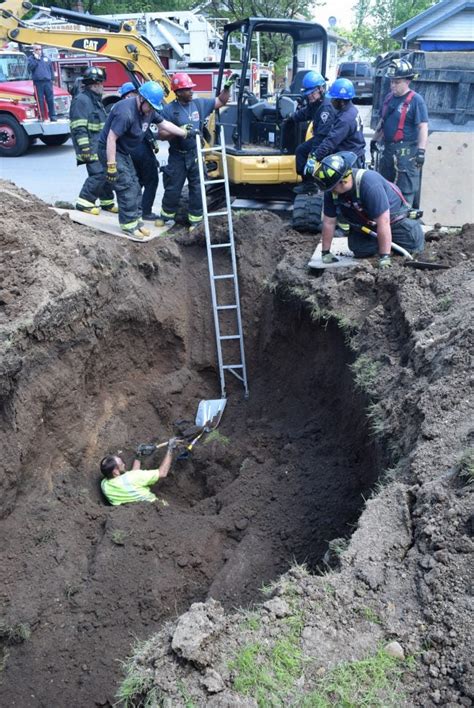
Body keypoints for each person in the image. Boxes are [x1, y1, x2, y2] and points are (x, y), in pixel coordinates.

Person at [98, 81, 193, 239]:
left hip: (123, 151)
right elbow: (111, 138)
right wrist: (111, 165)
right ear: (141, 99)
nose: (151, 111)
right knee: (126, 186)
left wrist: (184, 133)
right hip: (111, 151)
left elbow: (165, 124)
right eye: (150, 106)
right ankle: (128, 225)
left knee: (134, 184)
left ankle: (135, 221)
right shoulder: (125, 112)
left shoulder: (149, 109)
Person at [310, 151, 424, 268]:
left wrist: (385, 257)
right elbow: (329, 222)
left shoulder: (369, 184)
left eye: (332, 188)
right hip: (366, 224)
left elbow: (383, 222)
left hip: (393, 221)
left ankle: (401, 236)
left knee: (412, 244)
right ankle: (384, 242)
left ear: (343, 181)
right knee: (359, 249)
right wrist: (325, 252)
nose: (330, 191)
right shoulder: (332, 189)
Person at [156, 71, 236, 232]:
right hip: (177, 156)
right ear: (178, 92)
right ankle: (166, 217)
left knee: (198, 188)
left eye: (191, 88)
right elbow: (162, 135)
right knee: (173, 188)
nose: (191, 91)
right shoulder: (169, 110)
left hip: (195, 155)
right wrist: (179, 130)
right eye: (187, 89)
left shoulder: (199, 105)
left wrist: (227, 88)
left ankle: (195, 221)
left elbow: (221, 101)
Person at [373, 58, 428, 206]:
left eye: (397, 82)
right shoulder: (389, 98)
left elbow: (423, 127)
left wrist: (421, 151)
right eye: (391, 81)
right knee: (385, 185)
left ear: (408, 81)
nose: (393, 85)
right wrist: (374, 140)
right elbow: (383, 121)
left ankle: (406, 222)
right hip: (388, 150)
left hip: (407, 152)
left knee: (406, 189)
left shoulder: (416, 101)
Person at [70, 67, 117, 215]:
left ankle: (107, 201)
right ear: (93, 84)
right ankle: (84, 202)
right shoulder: (81, 101)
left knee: (106, 175)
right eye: (100, 84)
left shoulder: (95, 100)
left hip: (99, 145)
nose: (102, 86)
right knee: (98, 174)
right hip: (90, 146)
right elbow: (79, 127)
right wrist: (85, 149)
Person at [302, 77, 366, 181]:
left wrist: (314, 157)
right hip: (354, 155)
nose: (331, 102)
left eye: (333, 99)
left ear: (341, 101)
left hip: (350, 161)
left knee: (344, 191)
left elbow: (330, 141)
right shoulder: (351, 110)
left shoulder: (345, 119)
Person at [285, 70, 335, 194]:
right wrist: (292, 117)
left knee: (307, 154)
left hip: (327, 140)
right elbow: (306, 112)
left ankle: (312, 184)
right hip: (320, 137)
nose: (310, 96)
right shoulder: (316, 103)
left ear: (321, 89)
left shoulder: (326, 107)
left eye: (312, 93)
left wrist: (313, 156)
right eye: (308, 94)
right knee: (301, 150)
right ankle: (307, 182)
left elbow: (322, 136)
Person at [118, 81, 160, 221]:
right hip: (140, 149)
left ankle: (136, 209)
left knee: (137, 181)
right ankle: (145, 211)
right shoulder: (134, 110)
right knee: (151, 179)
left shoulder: (123, 108)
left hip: (130, 150)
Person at [100, 438, 178, 506]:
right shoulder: (133, 478)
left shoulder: (104, 485)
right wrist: (170, 449)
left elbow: (132, 478)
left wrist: (138, 457)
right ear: (115, 472)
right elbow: (162, 473)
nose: (123, 463)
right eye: (121, 463)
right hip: (156, 507)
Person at [27, 44, 57, 121]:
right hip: (38, 83)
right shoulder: (31, 59)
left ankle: (53, 116)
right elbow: (30, 68)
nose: (39, 51)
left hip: (48, 82)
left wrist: (52, 80)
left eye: (40, 49)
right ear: (33, 50)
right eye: (36, 49)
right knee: (39, 100)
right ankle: (42, 116)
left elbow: (51, 69)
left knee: (50, 99)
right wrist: (36, 60)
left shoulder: (46, 58)